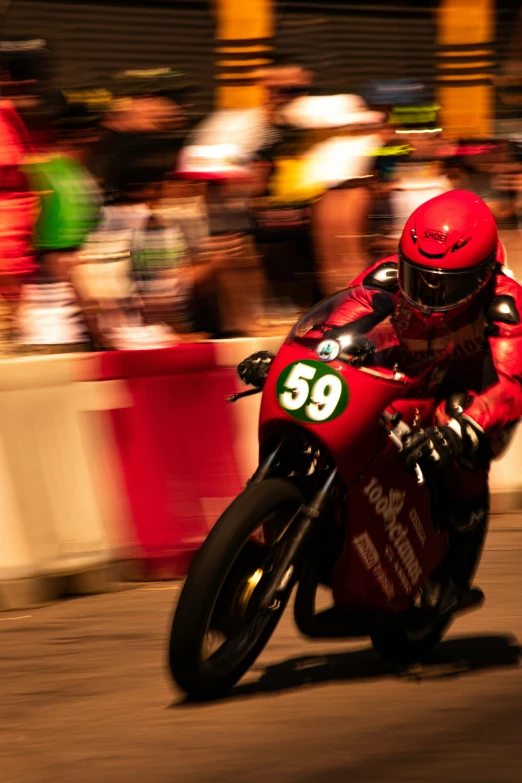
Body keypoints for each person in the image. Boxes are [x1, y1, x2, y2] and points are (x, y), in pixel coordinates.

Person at [237, 190, 522, 607]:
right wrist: (287, 358)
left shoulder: (506, 305)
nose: (426, 290)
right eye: (416, 274)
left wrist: (465, 428)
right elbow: (338, 323)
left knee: (460, 438)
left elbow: (510, 384)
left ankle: (452, 580)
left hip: (470, 402)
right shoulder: (385, 276)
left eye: (448, 284)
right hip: (403, 382)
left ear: (482, 275)